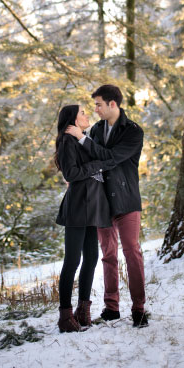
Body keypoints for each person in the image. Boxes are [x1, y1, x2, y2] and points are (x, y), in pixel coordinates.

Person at [65, 84, 148, 327]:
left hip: (127, 201)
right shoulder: (97, 130)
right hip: (102, 203)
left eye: (99, 105)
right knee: (108, 255)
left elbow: (110, 159)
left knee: (132, 252)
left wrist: (81, 139)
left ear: (113, 104)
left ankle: (139, 309)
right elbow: (89, 158)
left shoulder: (133, 131)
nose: (96, 110)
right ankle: (111, 308)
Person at [54, 104, 116, 333]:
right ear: (72, 119)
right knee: (72, 261)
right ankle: (65, 315)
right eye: (82, 112)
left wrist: (96, 165)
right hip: (78, 206)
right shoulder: (66, 141)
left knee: (91, 258)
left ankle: (83, 310)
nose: (87, 114)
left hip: (94, 205)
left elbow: (109, 160)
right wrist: (96, 167)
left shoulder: (84, 139)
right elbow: (71, 174)